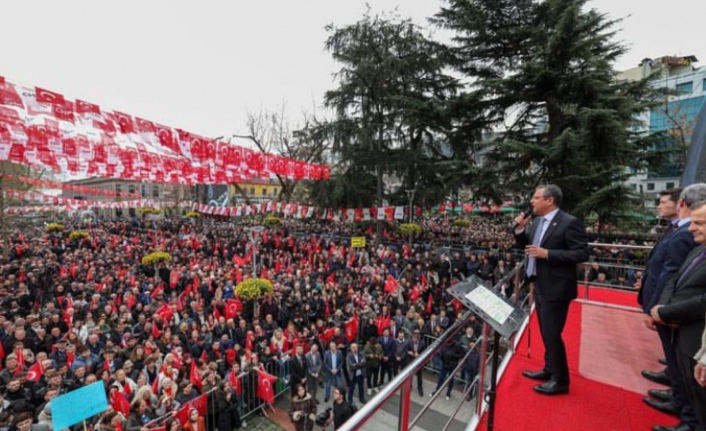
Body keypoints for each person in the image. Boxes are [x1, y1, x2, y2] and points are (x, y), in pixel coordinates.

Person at [640, 186, 706, 430]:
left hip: (685, 321)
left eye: (699, 223)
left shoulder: (684, 237)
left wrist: (662, 310)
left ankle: (688, 418)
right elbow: (674, 277)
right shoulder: (698, 248)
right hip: (671, 311)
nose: (692, 228)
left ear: (682, 203)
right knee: (679, 369)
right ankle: (681, 403)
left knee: (688, 376)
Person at [514, 184, 589, 395]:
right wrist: (520, 230)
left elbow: (581, 254)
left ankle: (561, 380)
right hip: (540, 283)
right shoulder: (537, 222)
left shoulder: (569, 223)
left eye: (536, 197)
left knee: (552, 334)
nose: (532, 201)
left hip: (557, 287)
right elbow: (527, 248)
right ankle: (549, 368)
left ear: (549, 200)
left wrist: (548, 254)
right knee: (547, 332)